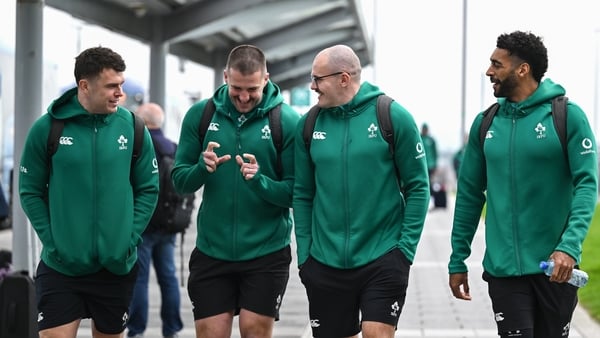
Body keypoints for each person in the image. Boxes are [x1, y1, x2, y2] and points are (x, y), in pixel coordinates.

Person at [448, 31, 598, 338]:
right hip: (504, 271)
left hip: (556, 269)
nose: (489, 72)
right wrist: (457, 258)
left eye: (496, 64)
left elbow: (587, 184)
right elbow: (468, 194)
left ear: (522, 69)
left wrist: (568, 247)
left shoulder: (566, 117)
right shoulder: (485, 124)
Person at [19, 46, 159, 338]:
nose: (119, 93)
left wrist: (128, 238)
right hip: (61, 267)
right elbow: (30, 190)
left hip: (115, 267)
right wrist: (53, 239)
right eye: (111, 86)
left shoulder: (133, 128)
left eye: (121, 84)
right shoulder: (48, 128)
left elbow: (148, 188)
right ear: (84, 85)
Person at [293, 44, 430, 338]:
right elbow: (302, 194)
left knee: (376, 333)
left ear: (344, 78)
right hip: (324, 261)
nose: (312, 86)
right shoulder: (309, 124)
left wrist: (404, 251)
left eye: (318, 79)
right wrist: (305, 255)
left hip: (382, 256)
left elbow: (419, 187)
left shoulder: (392, 116)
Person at [171, 44, 300, 338]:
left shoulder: (287, 122)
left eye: (252, 89)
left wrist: (260, 182)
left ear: (266, 78)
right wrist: (201, 169)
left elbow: (296, 193)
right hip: (212, 250)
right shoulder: (200, 115)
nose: (244, 97)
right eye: (237, 88)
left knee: (254, 331)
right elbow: (179, 181)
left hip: (266, 252)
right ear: (226, 77)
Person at [127, 102, 183, 338]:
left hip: (143, 225)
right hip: (169, 224)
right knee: (168, 278)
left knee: (139, 279)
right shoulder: (173, 148)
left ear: (144, 122)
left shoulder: (138, 146)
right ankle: (172, 330)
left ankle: (137, 330)